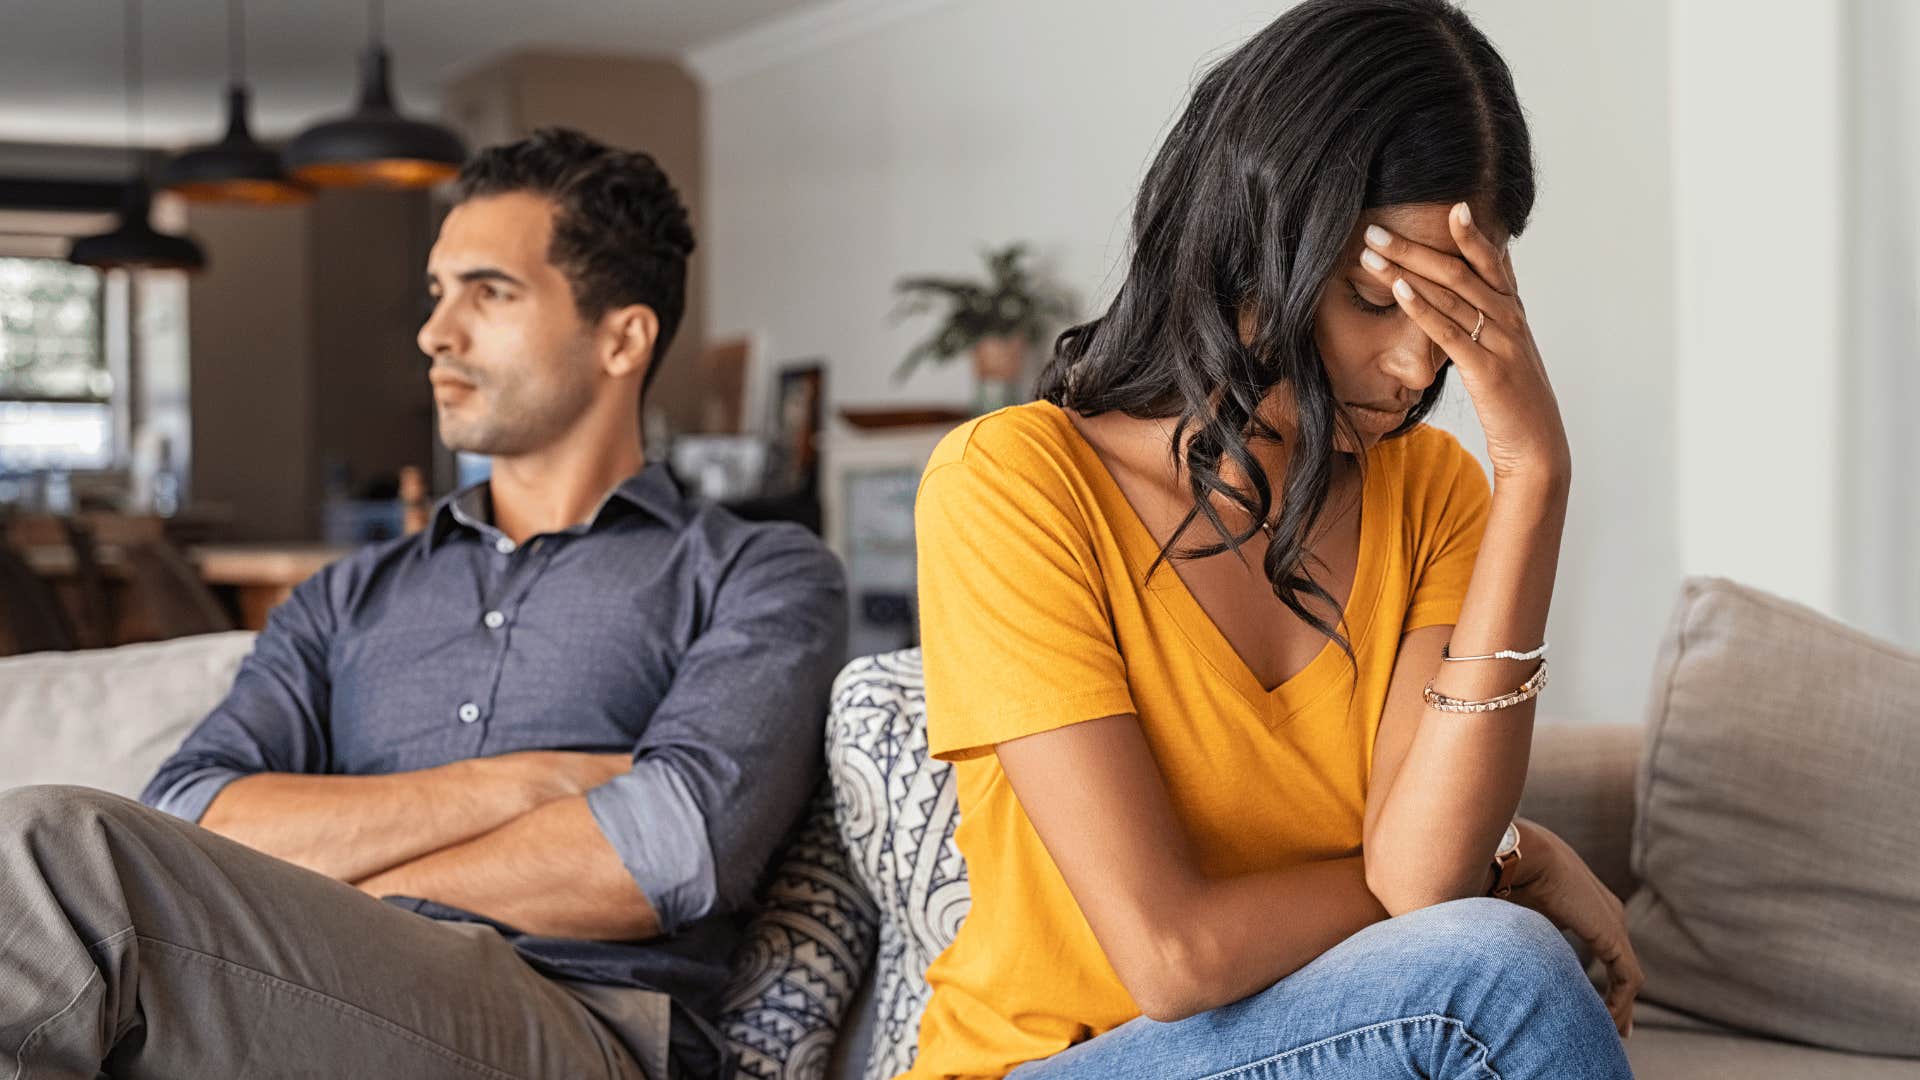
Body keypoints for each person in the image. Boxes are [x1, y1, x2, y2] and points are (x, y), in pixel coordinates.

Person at [0, 128, 846, 1079]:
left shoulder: (759, 571)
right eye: (439, 292)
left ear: (622, 337)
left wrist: (335, 883)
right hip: (308, 994)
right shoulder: (347, 596)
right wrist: (518, 786)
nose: (435, 332)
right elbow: (196, 809)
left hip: (582, 1025)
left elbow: (666, 849)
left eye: (490, 292)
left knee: (52, 851)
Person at [905, 2, 1639, 1077]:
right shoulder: (1013, 485)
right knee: (1498, 973)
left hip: (1322, 1038)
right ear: (1251, 245)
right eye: (1370, 300)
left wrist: (1536, 474)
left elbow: (1422, 885)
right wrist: (1509, 867)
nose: (1415, 363)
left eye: (1451, 311)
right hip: (1057, 1062)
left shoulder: (1432, 491)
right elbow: (1172, 956)